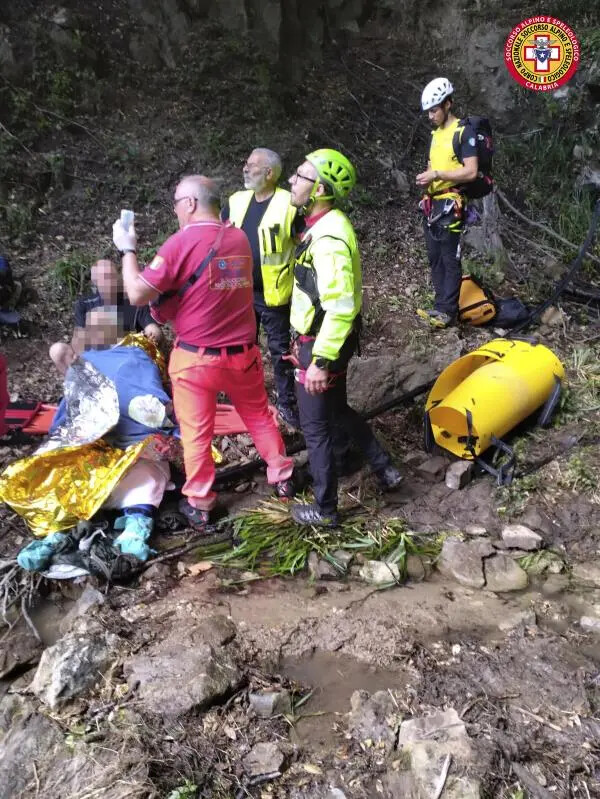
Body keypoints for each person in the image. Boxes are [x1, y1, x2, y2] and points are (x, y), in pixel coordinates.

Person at [113, 175, 295, 530]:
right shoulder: (240, 237)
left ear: (191, 204)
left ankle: (200, 502)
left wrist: (127, 249)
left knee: (197, 431)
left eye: (178, 203)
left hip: (196, 360)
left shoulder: (181, 243)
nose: (176, 210)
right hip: (243, 354)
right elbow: (212, 284)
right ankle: (283, 477)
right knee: (258, 416)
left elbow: (136, 293)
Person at [287, 149, 403, 527]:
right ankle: (385, 468)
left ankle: (326, 509)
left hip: (321, 345)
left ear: (319, 188)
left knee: (316, 428)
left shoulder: (330, 238)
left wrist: (319, 361)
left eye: (300, 176)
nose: (292, 180)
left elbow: (340, 305)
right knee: (337, 410)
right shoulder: (323, 226)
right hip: (326, 342)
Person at [222, 148, 302, 429]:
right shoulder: (237, 201)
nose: (245, 168)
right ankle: (243, 397)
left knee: (279, 351)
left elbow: (304, 245)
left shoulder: (289, 204)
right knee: (240, 348)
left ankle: (286, 403)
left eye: (252, 165)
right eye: (245, 164)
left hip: (273, 296)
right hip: (240, 293)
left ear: (270, 173)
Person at [415, 78, 479, 328]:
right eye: (429, 111)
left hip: (452, 205)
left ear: (448, 104)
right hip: (432, 204)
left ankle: (448, 311)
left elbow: (471, 171)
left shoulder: (463, 132)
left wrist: (437, 175)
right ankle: (439, 307)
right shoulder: (436, 135)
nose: (431, 115)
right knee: (435, 257)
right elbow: (434, 167)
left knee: (449, 257)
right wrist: (427, 180)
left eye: (434, 110)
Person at [49, 259, 162, 374]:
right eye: (103, 278)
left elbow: (152, 328)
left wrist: (152, 334)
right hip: (96, 357)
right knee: (57, 350)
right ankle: (75, 383)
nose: (108, 282)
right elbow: (80, 340)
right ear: (95, 282)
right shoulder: (85, 303)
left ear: (118, 276)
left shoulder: (132, 299)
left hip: (129, 356)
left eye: (111, 276)